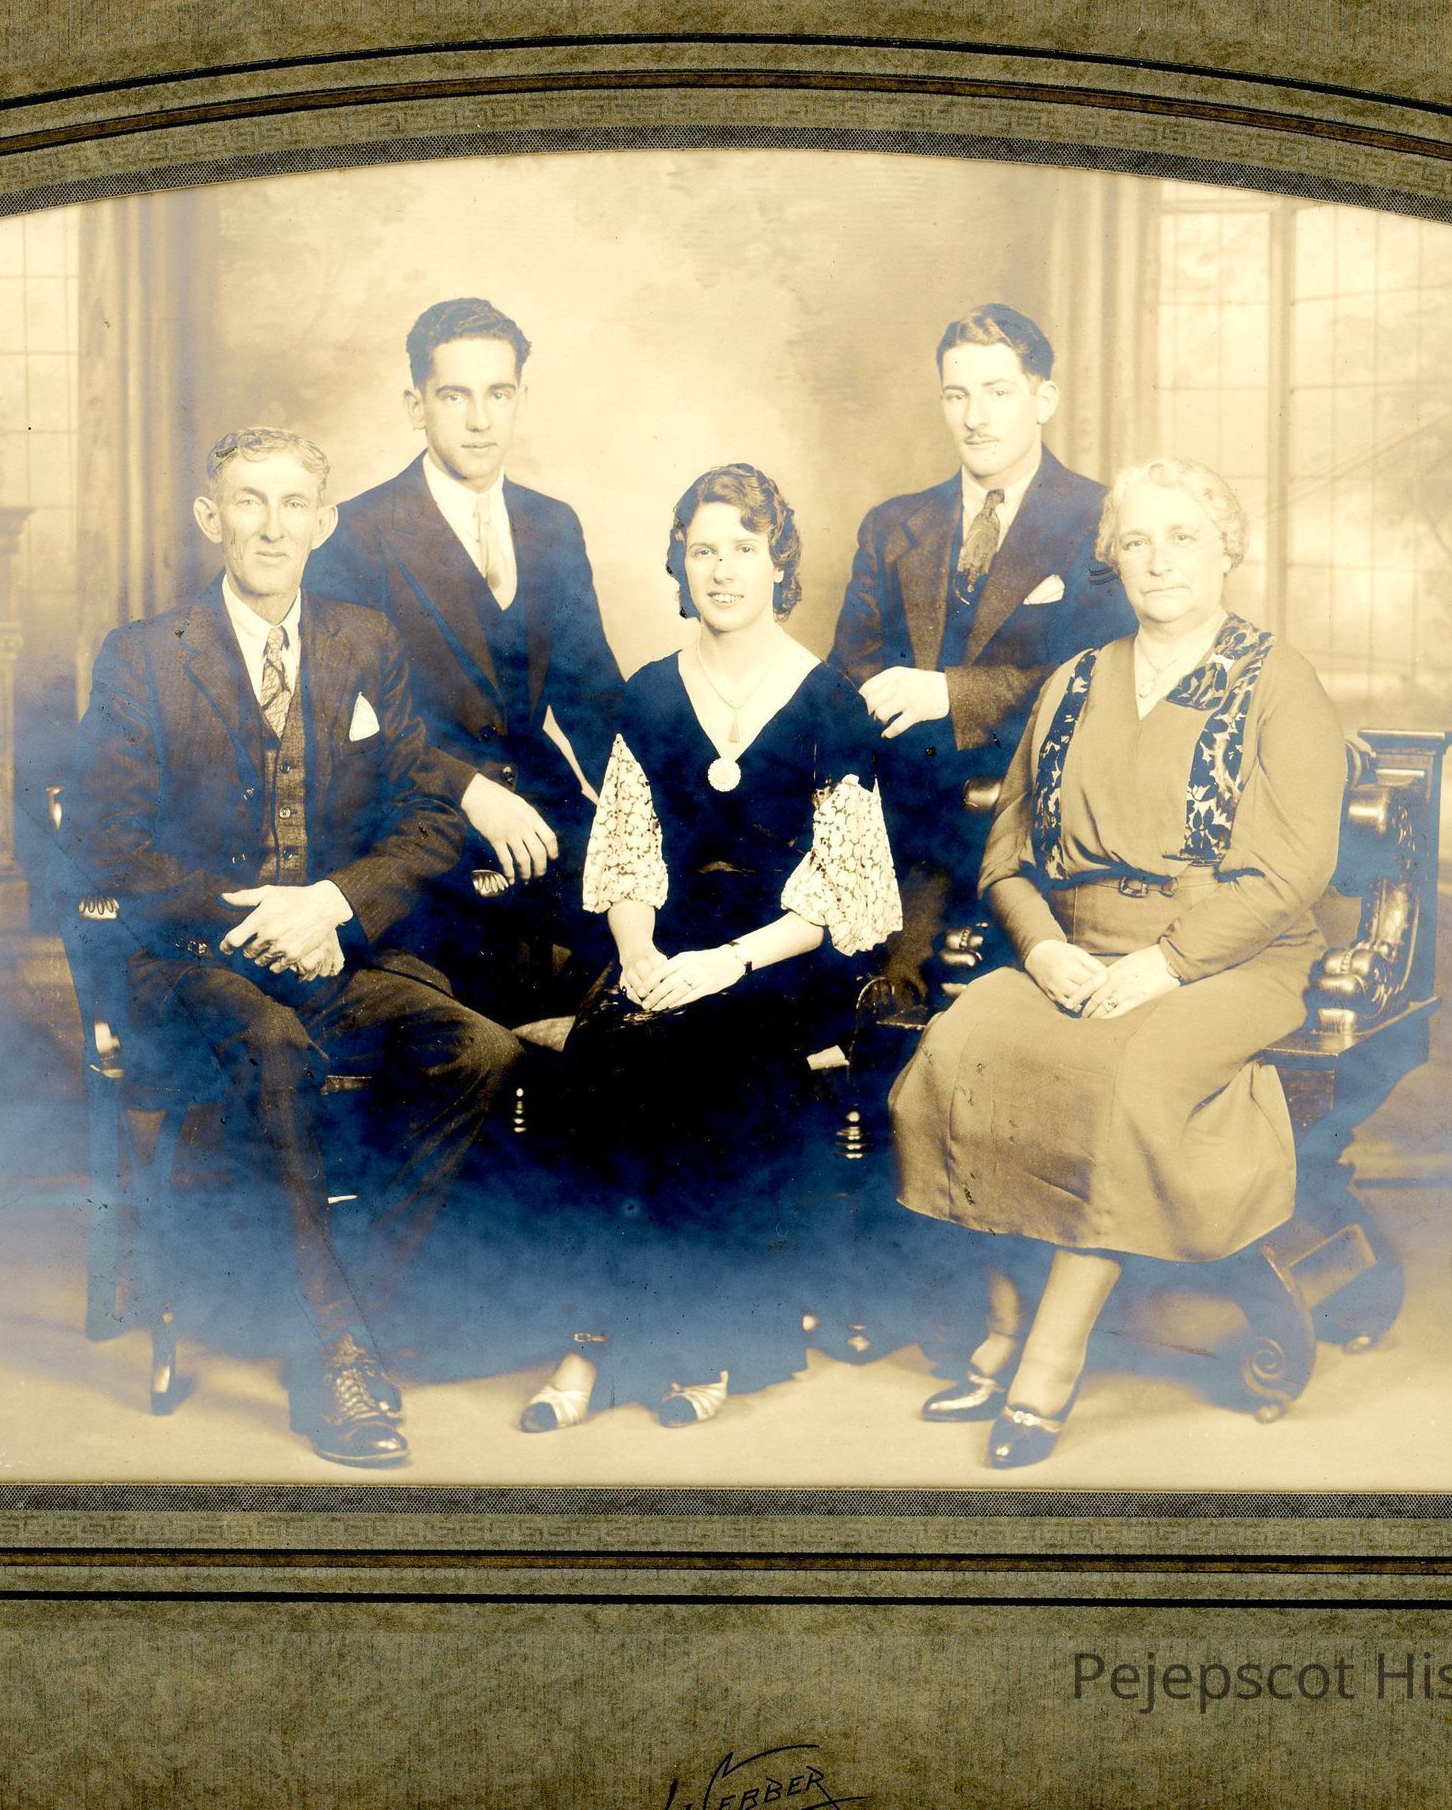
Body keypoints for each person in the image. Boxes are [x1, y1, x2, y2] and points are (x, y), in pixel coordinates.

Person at [65, 426, 523, 1469]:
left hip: (327, 949)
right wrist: (257, 916)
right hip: (186, 961)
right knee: (272, 1044)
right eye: (248, 501)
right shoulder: (145, 653)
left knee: (481, 1051)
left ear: (325, 522)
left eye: (292, 505)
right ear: (210, 517)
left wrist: (330, 904)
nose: (271, 526)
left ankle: (341, 1309)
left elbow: (428, 820)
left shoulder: (366, 641)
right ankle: (335, 1358)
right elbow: (104, 841)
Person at [888, 457, 1345, 1468]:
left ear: (1227, 551)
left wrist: (1168, 964)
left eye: (1183, 537)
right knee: (961, 1050)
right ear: (1113, 561)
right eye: (1136, 542)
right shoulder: (1075, 682)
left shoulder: (1278, 683)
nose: (1159, 559)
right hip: (1081, 949)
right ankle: (1004, 1324)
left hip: (1232, 958)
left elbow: (1290, 873)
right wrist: (1044, 946)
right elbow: (1005, 856)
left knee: (1120, 1074)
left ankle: (1050, 1357)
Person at [518, 463, 903, 1433]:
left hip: (787, 954)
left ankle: (703, 1338)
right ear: (680, 566)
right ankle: (589, 1336)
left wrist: (727, 963)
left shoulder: (830, 702)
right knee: (604, 1049)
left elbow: (840, 892)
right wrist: (638, 952)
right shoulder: (651, 693)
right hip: (670, 938)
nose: (723, 569)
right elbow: (627, 850)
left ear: (779, 563)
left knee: (701, 1056)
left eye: (744, 547)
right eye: (703, 550)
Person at [307, 298, 626, 1018]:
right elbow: (344, 724)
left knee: (660, 935)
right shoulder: (356, 533)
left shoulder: (553, 524)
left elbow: (594, 700)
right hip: (419, 823)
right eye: (455, 396)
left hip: (545, 812)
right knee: (476, 1015)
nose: (480, 419)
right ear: (415, 405)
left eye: (498, 394)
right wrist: (472, 791)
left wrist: (658, 812)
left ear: (521, 399)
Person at [830, 302, 1136, 998]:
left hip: (1032, 823)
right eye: (956, 395)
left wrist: (949, 693)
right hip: (903, 818)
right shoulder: (893, 525)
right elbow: (849, 665)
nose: (975, 417)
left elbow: (1099, 673)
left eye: (998, 392)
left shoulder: (1102, 518)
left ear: (1043, 399)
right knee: (856, 999)